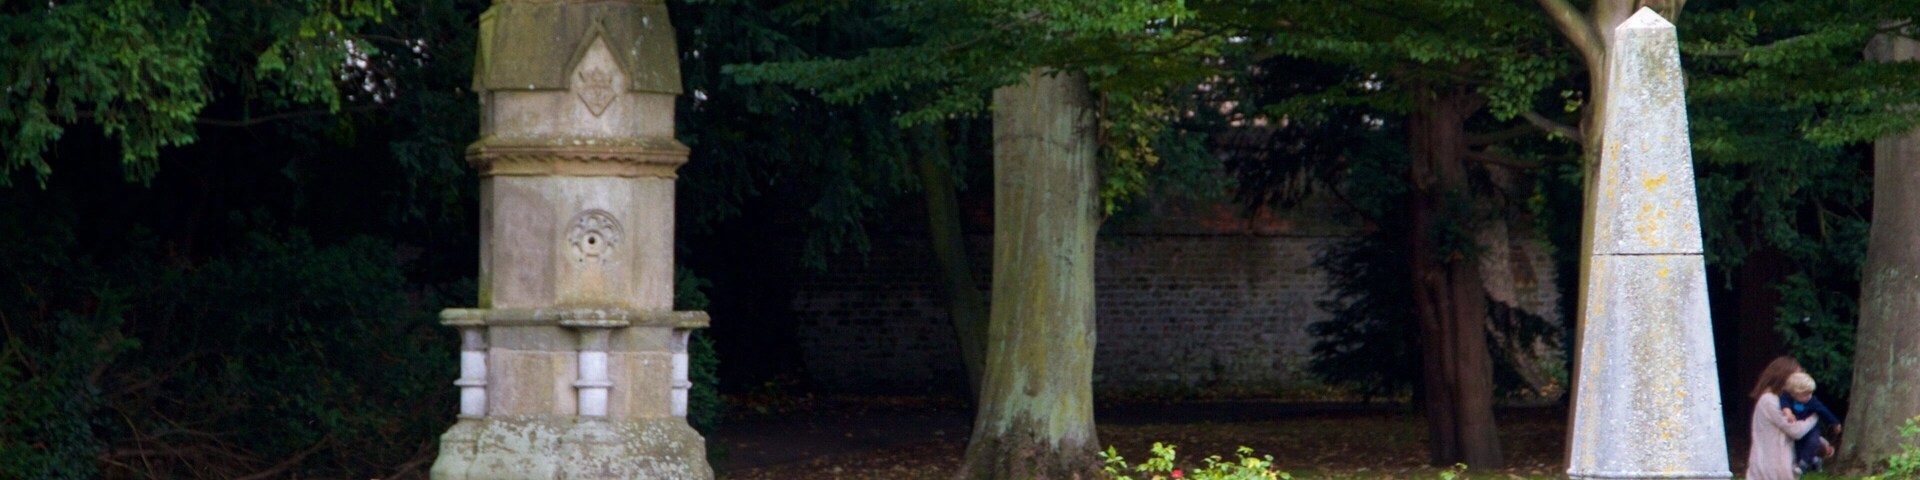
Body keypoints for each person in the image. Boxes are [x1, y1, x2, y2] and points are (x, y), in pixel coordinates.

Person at [1746, 356, 1818, 480]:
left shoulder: (1779, 402)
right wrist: (1816, 415)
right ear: (1783, 377)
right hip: (1769, 471)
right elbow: (1796, 431)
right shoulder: (1769, 401)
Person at [1779, 372, 1841, 472]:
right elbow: (1784, 404)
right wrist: (1788, 413)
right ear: (1793, 393)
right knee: (1799, 446)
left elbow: (1823, 411)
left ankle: (1802, 465)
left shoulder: (1812, 401)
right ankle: (1813, 460)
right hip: (1799, 429)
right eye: (1805, 394)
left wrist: (1834, 422)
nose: (1808, 396)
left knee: (1813, 442)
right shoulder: (1787, 397)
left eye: (1810, 393)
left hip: (1812, 429)